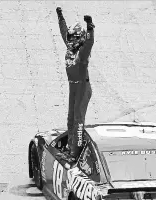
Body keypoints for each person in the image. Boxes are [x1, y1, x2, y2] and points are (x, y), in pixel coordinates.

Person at [55, 7, 95, 165]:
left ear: (79, 39)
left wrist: (90, 26)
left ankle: (75, 153)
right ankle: (70, 147)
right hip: (73, 87)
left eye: (72, 38)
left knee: (78, 119)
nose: (69, 40)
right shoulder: (70, 46)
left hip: (82, 89)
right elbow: (63, 31)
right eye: (69, 38)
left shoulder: (82, 53)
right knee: (70, 119)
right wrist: (60, 17)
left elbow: (90, 42)